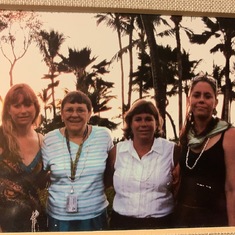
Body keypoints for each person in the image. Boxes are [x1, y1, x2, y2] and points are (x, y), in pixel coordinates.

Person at [41, 90, 113, 231]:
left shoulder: (104, 136)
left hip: (95, 215)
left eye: (80, 110)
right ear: (62, 114)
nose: (75, 115)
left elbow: (110, 172)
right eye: (69, 110)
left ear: (89, 113)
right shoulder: (49, 139)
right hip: (59, 217)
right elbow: (42, 175)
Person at [104, 99, 180, 230]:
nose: (143, 124)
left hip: (161, 225)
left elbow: (178, 190)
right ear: (130, 124)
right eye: (138, 119)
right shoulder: (117, 151)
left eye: (148, 119)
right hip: (122, 225)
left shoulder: (172, 151)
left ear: (156, 123)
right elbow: (106, 182)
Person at [174, 74, 235, 227]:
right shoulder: (186, 135)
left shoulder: (229, 134)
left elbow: (232, 188)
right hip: (183, 219)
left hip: (214, 219)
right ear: (189, 100)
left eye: (207, 96)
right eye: (196, 95)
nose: (201, 100)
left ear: (215, 102)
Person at [0, 83, 48, 232]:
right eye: (17, 105)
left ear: (36, 107)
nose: (23, 111)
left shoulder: (43, 141)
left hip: (36, 223)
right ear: (8, 109)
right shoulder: (1, 137)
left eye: (28, 105)